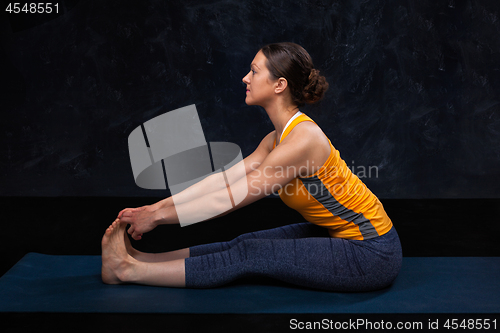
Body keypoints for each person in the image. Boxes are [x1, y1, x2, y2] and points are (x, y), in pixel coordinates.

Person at [101, 42, 402, 291]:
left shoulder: (303, 141)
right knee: (245, 241)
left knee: (250, 254)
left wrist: (157, 218)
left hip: (372, 252)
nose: (245, 78)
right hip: (337, 235)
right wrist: (154, 209)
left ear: (279, 85)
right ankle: (140, 259)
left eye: (254, 72)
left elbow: (227, 199)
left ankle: (128, 271)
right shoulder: (276, 139)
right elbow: (222, 181)